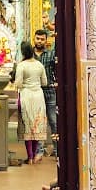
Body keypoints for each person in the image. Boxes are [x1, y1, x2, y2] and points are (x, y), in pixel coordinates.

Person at [13, 41, 50, 165]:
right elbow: (44, 82)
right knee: (36, 125)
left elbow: (18, 83)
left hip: (26, 95)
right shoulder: (39, 65)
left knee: (27, 127)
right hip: (39, 96)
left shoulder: (21, 65)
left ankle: (29, 157)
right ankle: (34, 156)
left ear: (23, 52)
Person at [33, 26, 58, 154]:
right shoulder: (29, 55)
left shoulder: (50, 54)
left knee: (53, 121)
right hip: (35, 93)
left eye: (42, 39)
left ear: (46, 40)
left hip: (49, 92)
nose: (40, 41)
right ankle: (39, 150)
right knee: (38, 121)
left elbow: (56, 69)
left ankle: (56, 149)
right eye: (38, 39)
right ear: (34, 39)